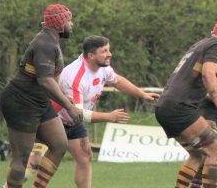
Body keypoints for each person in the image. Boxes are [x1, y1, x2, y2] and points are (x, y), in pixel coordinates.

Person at [24, 35, 160, 188]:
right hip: (53, 119)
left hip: (73, 121)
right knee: (34, 164)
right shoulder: (75, 76)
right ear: (91, 56)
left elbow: (117, 81)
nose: (110, 54)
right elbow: (79, 112)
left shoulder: (104, 68)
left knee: (84, 156)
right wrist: (109, 116)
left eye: (109, 49)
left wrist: (142, 94)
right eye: (104, 51)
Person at [0, 4, 83, 188]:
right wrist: (69, 107)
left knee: (60, 144)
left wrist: (63, 97)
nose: (72, 24)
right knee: (21, 158)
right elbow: (45, 80)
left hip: (39, 102)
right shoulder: (44, 43)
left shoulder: (52, 41)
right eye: (69, 20)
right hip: (20, 102)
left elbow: (49, 81)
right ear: (60, 23)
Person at [155, 15, 217, 188]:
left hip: (166, 105)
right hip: (181, 107)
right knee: (215, 150)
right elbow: (208, 75)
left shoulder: (202, 44)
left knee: (197, 155)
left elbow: (214, 79)